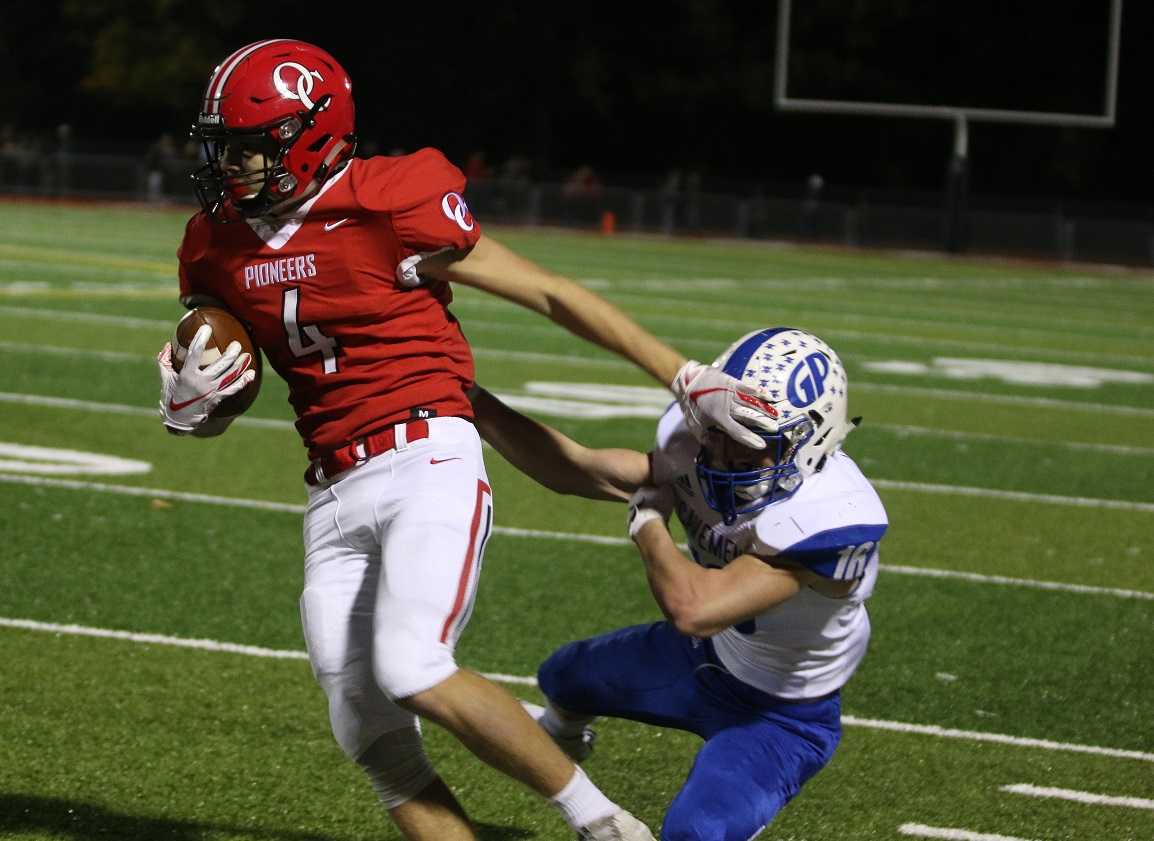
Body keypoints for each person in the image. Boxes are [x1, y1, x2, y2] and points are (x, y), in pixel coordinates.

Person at [154, 39, 776, 841]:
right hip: (331, 489)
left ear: (310, 136)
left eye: (249, 145)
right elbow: (225, 382)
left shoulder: (389, 199)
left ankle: (606, 825)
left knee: (413, 664)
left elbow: (547, 291)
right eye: (222, 145)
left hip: (425, 460)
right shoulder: (214, 243)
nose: (229, 165)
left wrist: (680, 372)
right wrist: (197, 391)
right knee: (371, 736)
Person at [469, 327, 888, 841]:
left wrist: (647, 522)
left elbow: (692, 607)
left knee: (696, 832)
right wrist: (474, 403)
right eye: (720, 429)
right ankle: (561, 737)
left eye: (748, 440)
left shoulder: (830, 516)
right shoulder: (698, 446)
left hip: (782, 713)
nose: (723, 451)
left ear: (810, 440)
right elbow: (574, 468)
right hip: (707, 655)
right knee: (562, 676)